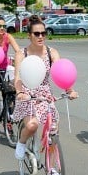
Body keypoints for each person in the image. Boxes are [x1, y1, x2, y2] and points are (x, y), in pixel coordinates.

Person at [11, 16, 78, 162]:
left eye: (43, 33)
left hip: (45, 95)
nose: (41, 36)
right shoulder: (22, 54)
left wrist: (69, 90)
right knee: (32, 125)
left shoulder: (51, 52)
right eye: (36, 34)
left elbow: (61, 73)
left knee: (54, 129)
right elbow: (17, 78)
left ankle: (53, 166)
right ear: (29, 35)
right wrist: (20, 92)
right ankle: (21, 143)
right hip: (27, 94)